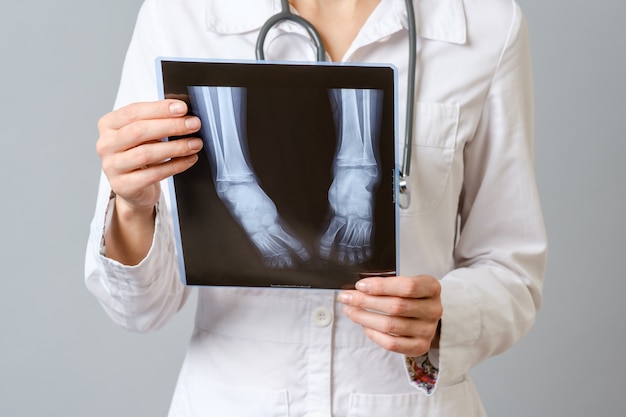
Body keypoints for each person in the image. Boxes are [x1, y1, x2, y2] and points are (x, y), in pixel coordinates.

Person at [85, 0, 547, 416]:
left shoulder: (485, 22)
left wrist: (445, 315)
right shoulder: (181, 14)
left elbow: (511, 268)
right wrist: (133, 205)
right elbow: (140, 311)